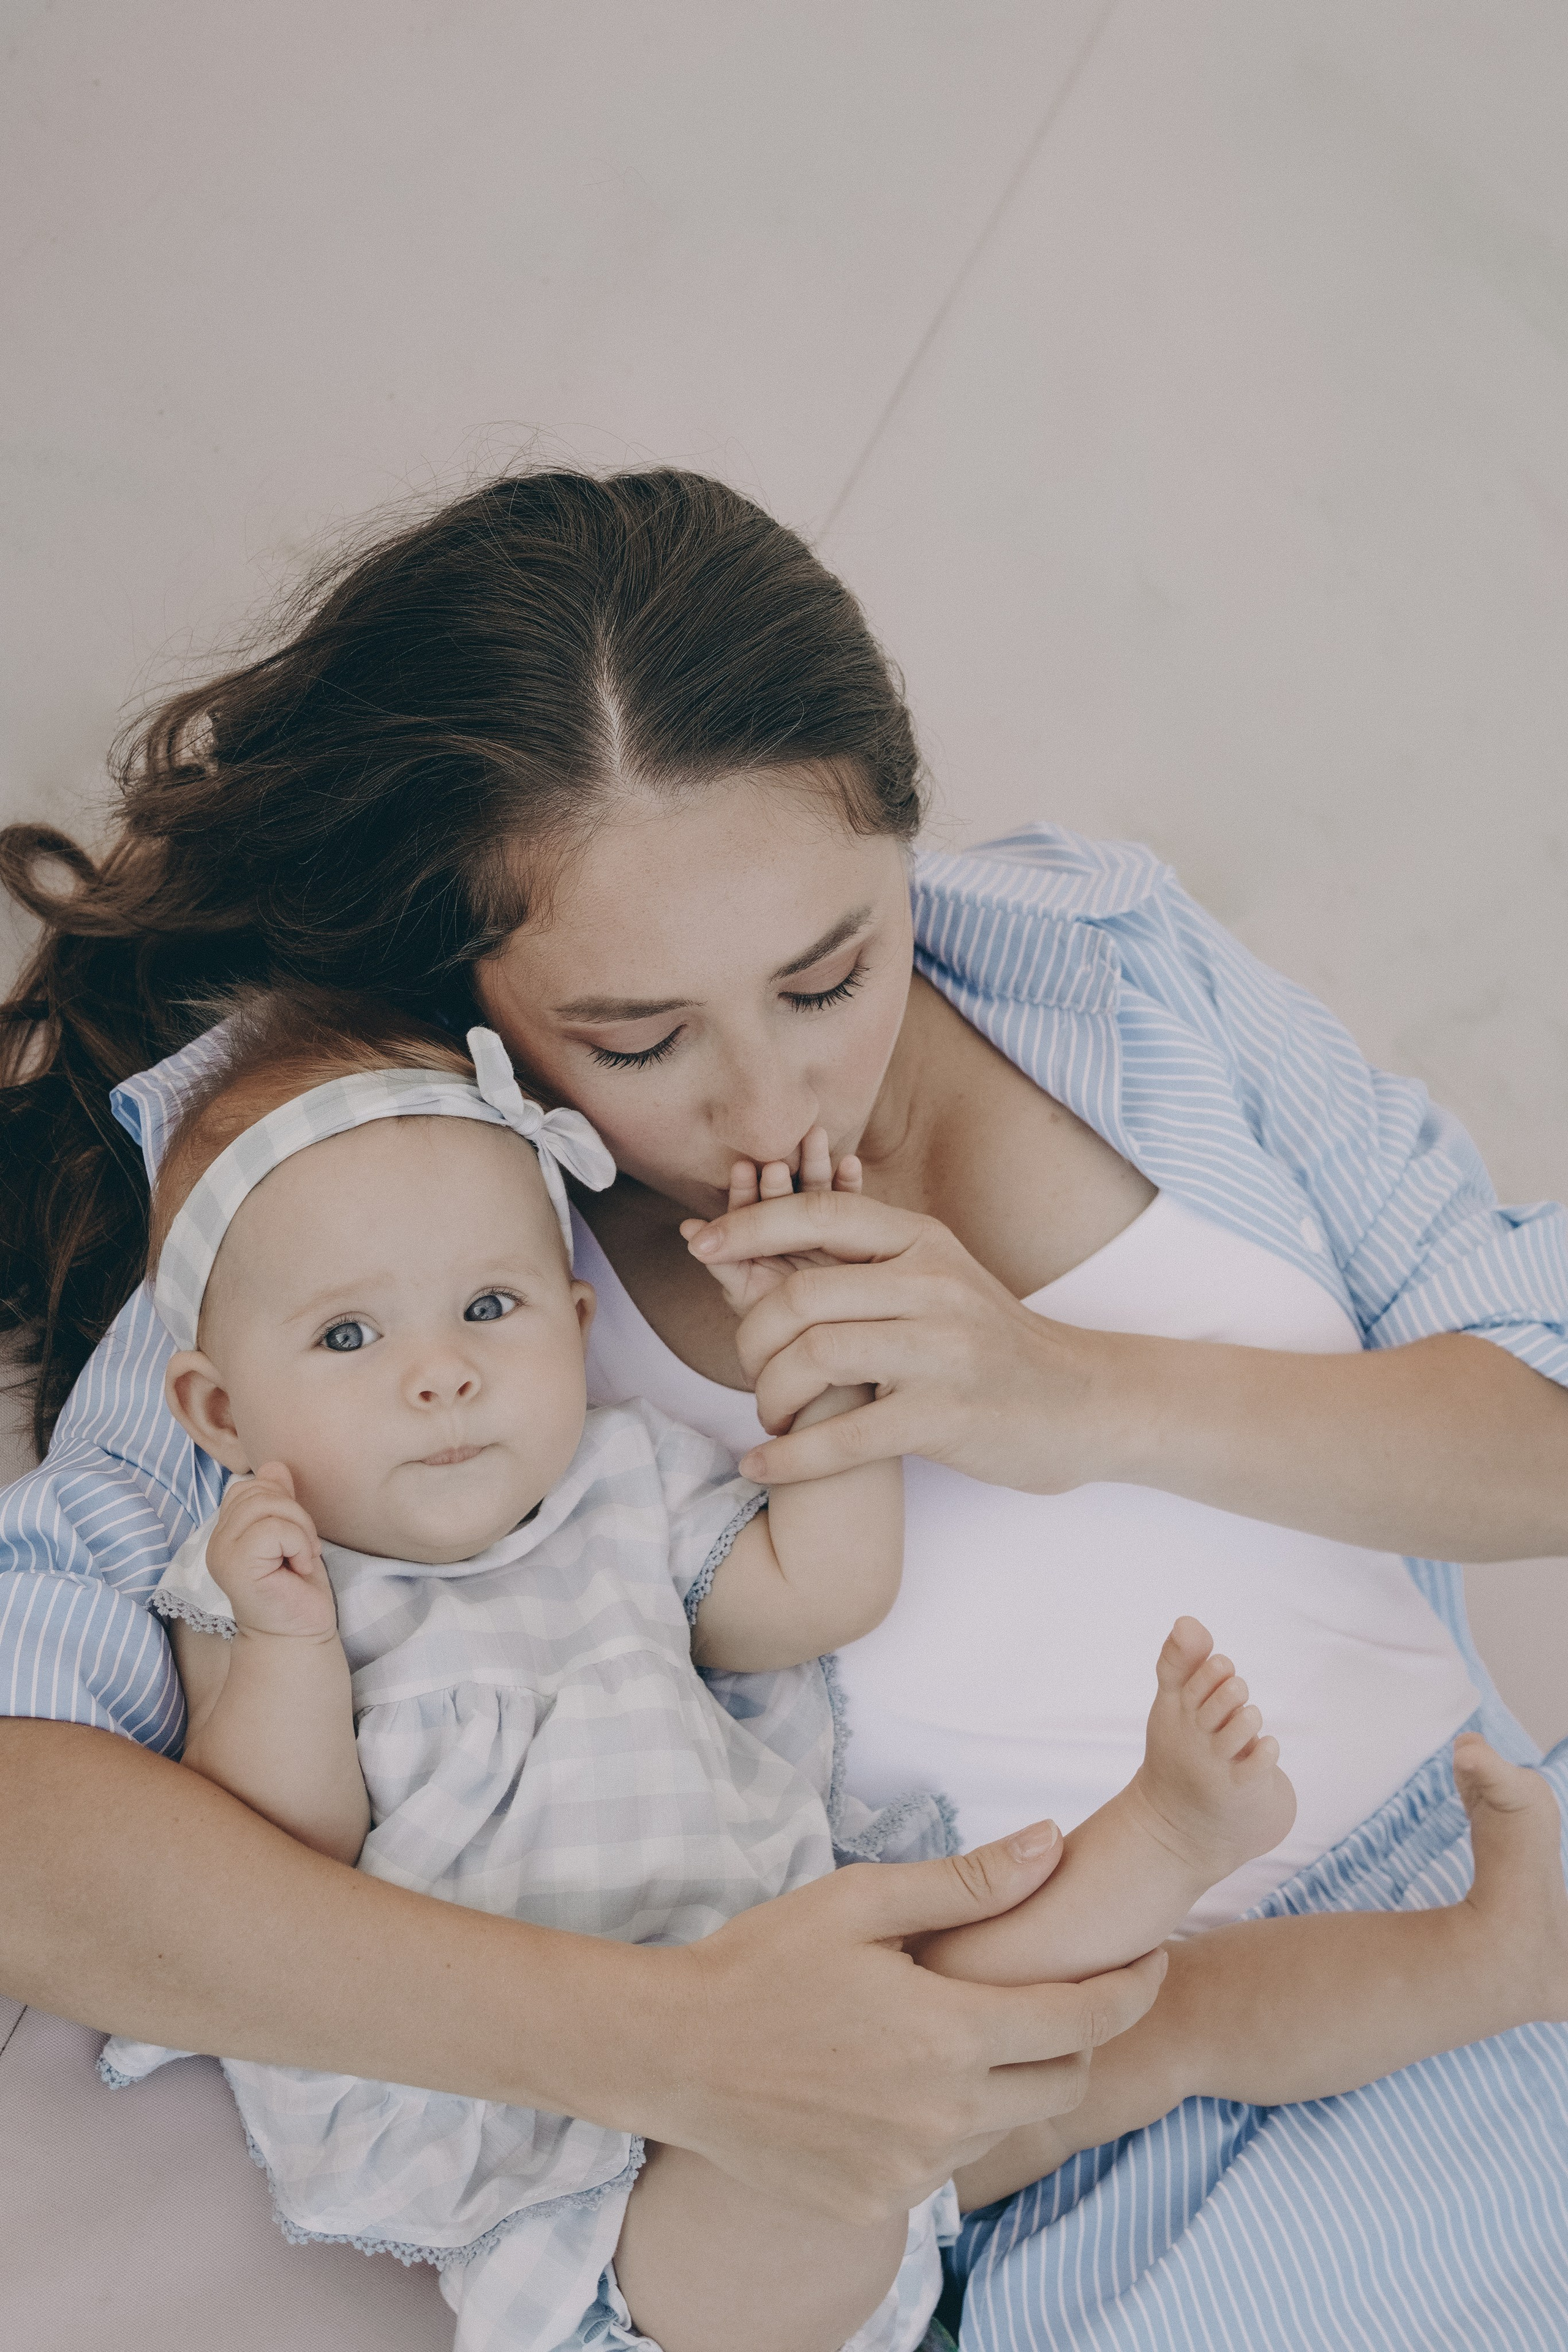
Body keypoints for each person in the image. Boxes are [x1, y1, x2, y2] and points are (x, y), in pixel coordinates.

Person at [1, 470, 1566, 2348]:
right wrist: (679, 2049)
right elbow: (35, 1824)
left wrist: (1076, 1396)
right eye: (639, 1041)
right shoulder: (378, 1222)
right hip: (1072, 2158)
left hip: (1495, 1920)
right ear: (473, 988)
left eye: (832, 972)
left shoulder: (1107, 958)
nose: (765, 1101)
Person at [98, 991, 1568, 2352]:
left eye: (489, 1309)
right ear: (219, 1408)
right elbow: (285, 1850)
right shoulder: (271, 1584)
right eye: (350, 1336)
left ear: (575, 1324)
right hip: (601, 2176)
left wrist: (823, 1380)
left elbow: (820, 1592)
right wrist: (282, 1645)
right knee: (799, 2161)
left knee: (1148, 2016)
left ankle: (1425, 1937)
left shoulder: (626, 1498)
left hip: (861, 2028)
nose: (440, 1373)